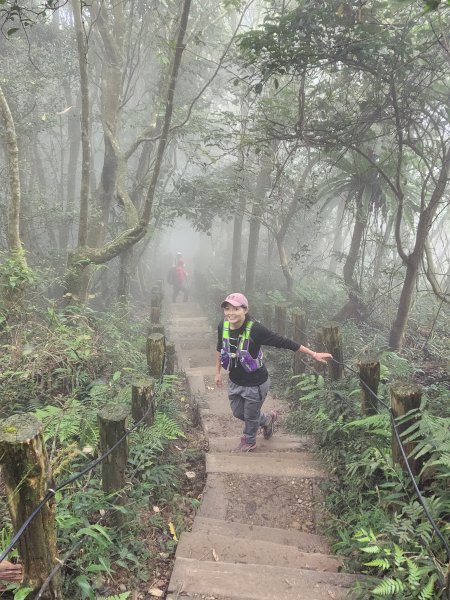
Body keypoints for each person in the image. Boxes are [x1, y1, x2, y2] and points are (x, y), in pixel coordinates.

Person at [215, 292, 332, 452]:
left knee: (250, 416)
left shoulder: (256, 329)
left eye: (236, 309)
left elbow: (283, 341)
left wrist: (313, 354)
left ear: (245, 309)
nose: (231, 313)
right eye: (227, 309)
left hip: (255, 384)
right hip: (235, 381)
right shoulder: (223, 325)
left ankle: (250, 441)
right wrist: (217, 372)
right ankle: (267, 418)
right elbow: (220, 348)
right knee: (238, 413)